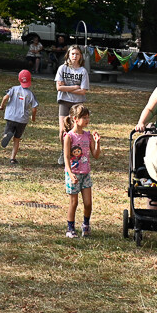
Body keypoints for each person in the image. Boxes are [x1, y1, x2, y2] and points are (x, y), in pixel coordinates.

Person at [63, 104, 101, 238]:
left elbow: (95, 155)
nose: (87, 120)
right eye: (84, 117)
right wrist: (70, 173)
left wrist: (97, 143)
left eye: (88, 118)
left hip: (85, 174)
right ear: (75, 119)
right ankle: (70, 228)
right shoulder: (69, 137)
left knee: (88, 203)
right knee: (74, 202)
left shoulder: (87, 135)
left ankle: (85, 225)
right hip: (73, 174)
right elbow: (66, 158)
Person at [55, 45, 90, 165]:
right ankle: (63, 151)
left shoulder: (83, 71)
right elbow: (59, 87)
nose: (75, 56)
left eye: (77, 54)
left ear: (80, 56)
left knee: (76, 130)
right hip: (64, 102)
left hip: (77, 103)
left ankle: (76, 153)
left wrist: (67, 88)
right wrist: (75, 87)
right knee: (63, 130)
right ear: (68, 55)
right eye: (72, 54)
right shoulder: (62, 68)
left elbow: (83, 91)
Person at [0, 70, 38, 164]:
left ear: (18, 79)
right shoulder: (30, 94)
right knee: (17, 139)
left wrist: (2, 106)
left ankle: (7, 134)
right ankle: (12, 158)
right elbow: (34, 108)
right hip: (22, 119)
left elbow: (5, 97)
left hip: (11, 116)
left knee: (9, 131)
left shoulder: (13, 89)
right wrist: (33, 117)